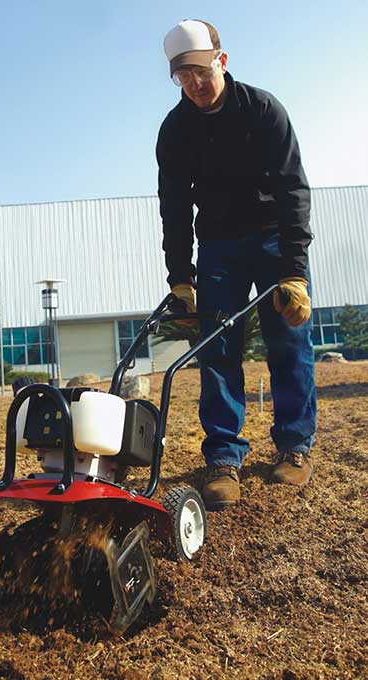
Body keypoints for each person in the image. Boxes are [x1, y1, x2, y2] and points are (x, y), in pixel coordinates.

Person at [156, 19, 317, 510]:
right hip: (219, 245)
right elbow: (175, 209)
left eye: (201, 72)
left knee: (287, 339)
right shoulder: (175, 130)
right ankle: (225, 457)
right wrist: (182, 280)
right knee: (218, 349)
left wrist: (294, 270)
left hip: (271, 237)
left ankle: (294, 446)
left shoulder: (264, 110)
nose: (195, 86)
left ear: (221, 61)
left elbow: (293, 189)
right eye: (183, 78)